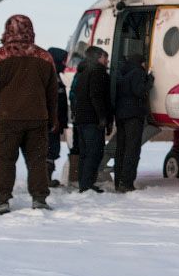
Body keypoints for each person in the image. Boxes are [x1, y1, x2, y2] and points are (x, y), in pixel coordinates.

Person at [0, 14, 58, 214]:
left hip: (6, 119)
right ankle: (39, 198)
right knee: (37, 160)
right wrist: (52, 118)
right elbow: (52, 93)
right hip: (37, 118)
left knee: (5, 161)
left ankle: (1, 201)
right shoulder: (45, 57)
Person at [73, 46, 112, 193]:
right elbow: (97, 96)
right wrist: (102, 118)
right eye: (104, 57)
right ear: (98, 58)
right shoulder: (98, 73)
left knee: (84, 153)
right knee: (94, 152)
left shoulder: (82, 73)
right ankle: (87, 184)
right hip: (92, 119)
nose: (107, 60)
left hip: (81, 119)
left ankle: (84, 183)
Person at [113, 53, 154, 192]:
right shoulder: (138, 72)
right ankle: (127, 183)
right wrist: (149, 81)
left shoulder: (120, 72)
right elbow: (139, 91)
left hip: (120, 115)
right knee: (132, 149)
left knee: (121, 149)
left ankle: (118, 181)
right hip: (134, 115)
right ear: (141, 62)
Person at [46, 47, 70, 187]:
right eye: (62, 61)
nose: (65, 64)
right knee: (49, 150)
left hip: (55, 122)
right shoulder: (50, 77)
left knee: (52, 150)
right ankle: (45, 178)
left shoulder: (55, 76)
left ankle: (47, 177)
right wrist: (54, 120)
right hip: (51, 122)